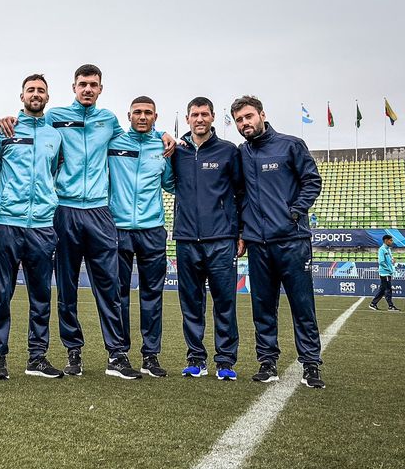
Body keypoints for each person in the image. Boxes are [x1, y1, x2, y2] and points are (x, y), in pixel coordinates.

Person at [0, 65, 175, 378]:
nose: (88, 89)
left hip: (99, 211)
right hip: (63, 210)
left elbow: (136, 137)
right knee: (66, 287)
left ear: (101, 89)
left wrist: (162, 137)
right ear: (74, 87)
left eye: (93, 84)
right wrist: (9, 119)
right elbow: (33, 124)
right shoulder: (54, 116)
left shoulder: (109, 121)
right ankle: (73, 352)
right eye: (83, 84)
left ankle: (117, 356)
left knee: (109, 286)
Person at [232, 95, 325, 389]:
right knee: (262, 306)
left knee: (302, 305)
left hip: (292, 240)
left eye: (248, 117)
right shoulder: (241, 153)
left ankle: (310, 364)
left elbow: (312, 181)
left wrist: (295, 213)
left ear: (262, 115)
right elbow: (240, 195)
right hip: (258, 244)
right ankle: (267, 361)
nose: (244, 123)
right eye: (238, 120)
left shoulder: (290, 145)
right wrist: (242, 231)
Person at [0, 74, 64, 380]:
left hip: (43, 226)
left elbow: (54, 170)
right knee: (1, 293)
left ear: (47, 97)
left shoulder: (54, 136)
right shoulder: (4, 130)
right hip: (8, 223)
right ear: (22, 96)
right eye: (30, 90)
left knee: (41, 295)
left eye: (40, 91)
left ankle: (37, 357)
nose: (35, 94)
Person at [170, 97, 244, 381]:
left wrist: (239, 233)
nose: (199, 119)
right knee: (191, 303)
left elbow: (240, 193)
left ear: (213, 117)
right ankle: (196, 359)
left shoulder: (228, 151)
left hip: (221, 239)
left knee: (224, 302)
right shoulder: (177, 151)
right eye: (194, 114)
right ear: (188, 119)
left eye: (204, 114)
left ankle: (225, 361)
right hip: (187, 239)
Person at [107, 96, 174, 378]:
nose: (142, 117)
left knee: (152, 296)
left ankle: (151, 355)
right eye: (137, 112)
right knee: (118, 295)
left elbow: (171, 183)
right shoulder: (114, 144)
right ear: (129, 115)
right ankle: (118, 354)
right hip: (118, 229)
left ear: (155, 116)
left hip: (152, 230)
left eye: (148, 113)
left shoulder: (164, 148)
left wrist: (164, 136)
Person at [369, 235, 400, 311]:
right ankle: (390, 306)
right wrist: (389, 269)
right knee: (388, 289)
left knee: (383, 289)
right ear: (386, 241)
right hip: (385, 273)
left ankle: (373, 303)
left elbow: (389, 259)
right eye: (390, 240)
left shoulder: (388, 249)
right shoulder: (382, 249)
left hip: (387, 272)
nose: (392, 242)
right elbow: (381, 262)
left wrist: (392, 260)